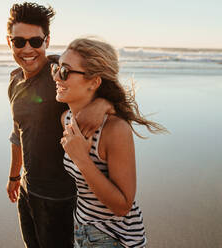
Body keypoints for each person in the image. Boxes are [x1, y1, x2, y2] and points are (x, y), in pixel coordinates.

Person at [5, 3, 114, 248]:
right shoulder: (14, 80)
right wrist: (14, 175)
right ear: (9, 42)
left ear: (47, 40)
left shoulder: (60, 72)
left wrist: (103, 104)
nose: (28, 49)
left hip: (61, 198)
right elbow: (17, 133)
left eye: (35, 41)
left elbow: (106, 84)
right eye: (19, 41)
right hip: (27, 190)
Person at [53, 38, 167, 248]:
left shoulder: (115, 129)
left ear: (94, 82)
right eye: (57, 68)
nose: (56, 77)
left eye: (65, 71)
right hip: (81, 228)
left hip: (114, 237)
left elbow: (123, 206)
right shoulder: (67, 119)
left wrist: (82, 160)